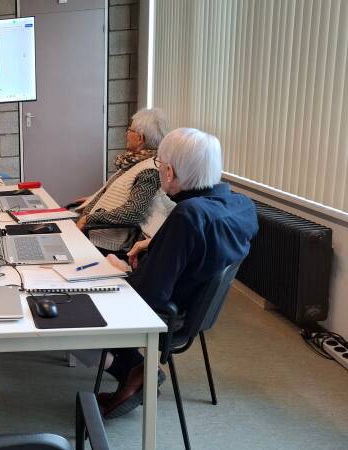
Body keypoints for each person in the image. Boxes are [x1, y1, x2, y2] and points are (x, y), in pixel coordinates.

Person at [97, 128, 258, 418]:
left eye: (160, 164)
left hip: (166, 313)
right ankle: (136, 371)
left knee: (76, 309)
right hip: (196, 309)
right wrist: (155, 243)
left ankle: (134, 370)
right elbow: (208, 246)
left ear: (170, 172)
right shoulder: (241, 205)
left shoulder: (188, 215)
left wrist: (117, 272)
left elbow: (149, 295)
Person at [74, 108, 171, 251]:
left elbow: (133, 213)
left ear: (140, 138)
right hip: (90, 231)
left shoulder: (149, 171)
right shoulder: (135, 162)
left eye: (129, 130)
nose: (126, 134)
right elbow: (121, 193)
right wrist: (94, 199)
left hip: (101, 241)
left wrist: (88, 219)